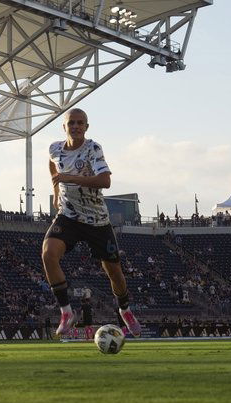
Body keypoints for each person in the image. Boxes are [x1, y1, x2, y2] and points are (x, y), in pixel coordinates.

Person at [41, 108, 141, 337]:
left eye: (80, 123)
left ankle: (125, 309)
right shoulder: (55, 148)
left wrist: (70, 178)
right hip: (68, 215)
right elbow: (51, 164)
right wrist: (56, 191)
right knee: (48, 253)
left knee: (114, 271)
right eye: (71, 123)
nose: (75, 126)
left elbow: (105, 181)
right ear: (64, 127)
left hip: (96, 220)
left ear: (86, 127)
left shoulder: (92, 149)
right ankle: (66, 311)